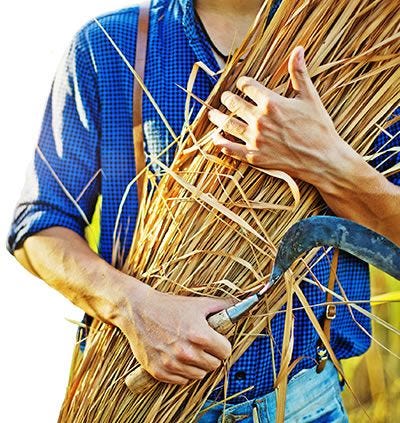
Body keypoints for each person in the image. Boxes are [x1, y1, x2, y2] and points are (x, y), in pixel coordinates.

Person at [7, 0, 399, 421]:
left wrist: (328, 161)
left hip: (307, 404)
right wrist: (131, 305)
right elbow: (39, 229)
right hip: (139, 402)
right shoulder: (110, 46)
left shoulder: (370, 49)